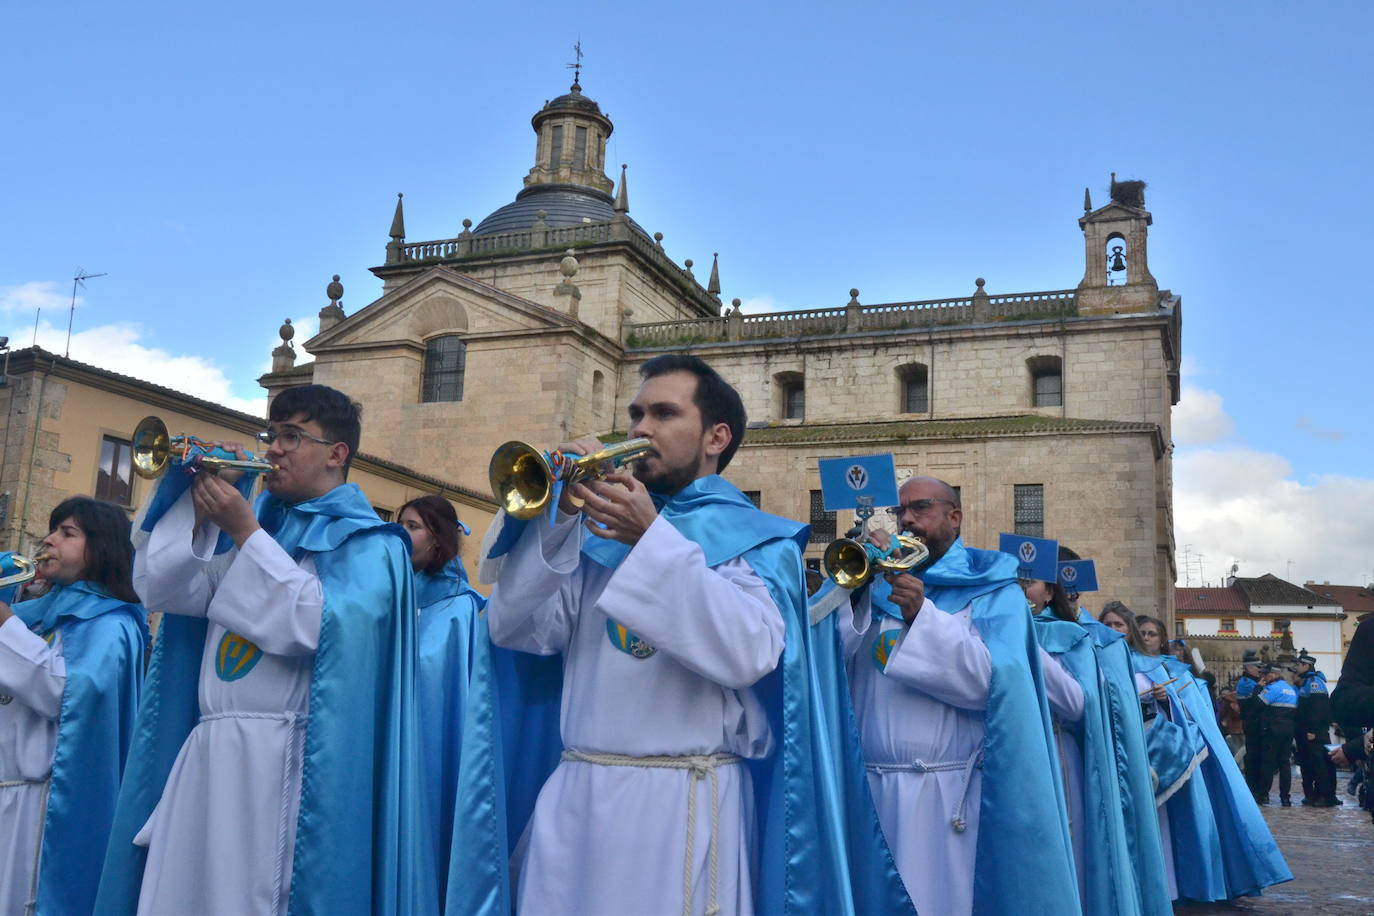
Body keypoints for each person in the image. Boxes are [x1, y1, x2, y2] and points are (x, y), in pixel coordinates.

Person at [480, 355, 910, 916]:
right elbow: (514, 628)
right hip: (578, 796)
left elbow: (747, 652)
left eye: (663, 413)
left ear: (716, 437)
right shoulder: (596, 531)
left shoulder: (757, 540)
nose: (640, 430)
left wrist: (651, 539)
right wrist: (558, 519)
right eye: (636, 414)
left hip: (683, 803)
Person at [97, 385, 434, 916]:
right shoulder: (262, 528)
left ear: (336, 453)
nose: (273, 449)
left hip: (283, 760)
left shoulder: (371, 543)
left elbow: (316, 624)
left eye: (291, 436)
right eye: (271, 434)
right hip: (209, 749)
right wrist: (195, 507)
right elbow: (167, 591)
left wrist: (245, 530)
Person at [814, 477, 1079, 915]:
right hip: (869, 789)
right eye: (901, 512)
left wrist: (922, 615)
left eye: (921, 508)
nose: (908, 520)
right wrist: (850, 595)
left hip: (946, 796)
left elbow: (991, 683)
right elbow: (824, 669)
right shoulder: (873, 583)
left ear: (954, 517)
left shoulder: (991, 586)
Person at [0, 498, 147, 915]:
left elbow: (65, 694)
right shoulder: (33, 617)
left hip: (44, 808)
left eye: (68, 533)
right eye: (52, 529)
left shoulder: (112, 623)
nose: (48, 540)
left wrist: (5, 623)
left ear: (101, 548)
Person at [1021, 548, 1171, 916]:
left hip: (1057, 752)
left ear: (1049, 591)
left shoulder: (1074, 637)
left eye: (1028, 582)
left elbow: (1083, 705)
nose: (1018, 589)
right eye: (1014, 580)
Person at [402, 495, 512, 915]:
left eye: (412, 526)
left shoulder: (462, 610)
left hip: (434, 758)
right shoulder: (387, 599)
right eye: (400, 524)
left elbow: (462, 705)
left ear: (438, 539)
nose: (401, 534)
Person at [1131, 613, 1291, 900]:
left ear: (1161, 638)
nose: (1145, 638)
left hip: (1174, 755)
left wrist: (1167, 701)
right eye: (1140, 632)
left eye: (1151, 633)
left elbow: (1196, 714)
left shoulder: (1176, 672)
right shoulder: (1121, 665)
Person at [1291, 649, 1339, 807]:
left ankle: (1325, 796)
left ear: (1307, 665)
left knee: (1321, 765)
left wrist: (1313, 730)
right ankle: (1316, 795)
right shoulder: (1307, 681)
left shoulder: (1314, 683)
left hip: (1314, 732)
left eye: (1299, 664)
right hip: (1307, 731)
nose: (1296, 668)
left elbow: (1318, 709)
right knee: (1311, 764)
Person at [1254, 666, 1298, 806]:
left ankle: (1263, 795)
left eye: (1266, 675)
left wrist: (1257, 688)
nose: (1264, 678)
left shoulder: (1272, 688)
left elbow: (1257, 704)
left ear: (1273, 675)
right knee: (1285, 764)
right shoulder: (1290, 689)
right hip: (1288, 730)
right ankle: (1285, 797)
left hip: (1273, 730)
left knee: (1268, 762)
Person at [1236, 650, 1265, 793]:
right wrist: (1261, 686)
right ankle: (1253, 788)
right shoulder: (1246, 683)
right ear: (1249, 668)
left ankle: (1256, 787)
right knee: (1253, 757)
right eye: (1257, 667)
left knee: (1258, 756)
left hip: (1257, 723)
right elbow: (1257, 699)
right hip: (1252, 723)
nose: (1260, 670)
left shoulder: (1251, 681)